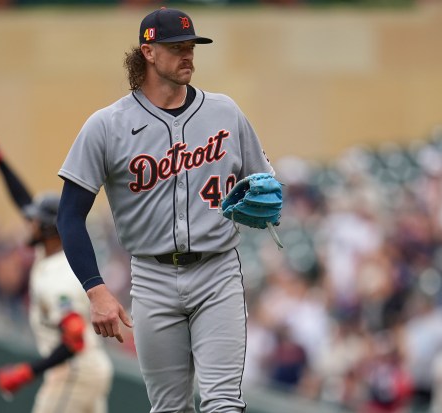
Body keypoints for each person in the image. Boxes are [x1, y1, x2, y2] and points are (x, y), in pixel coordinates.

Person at [56, 7, 278, 412]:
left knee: (223, 403)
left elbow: (265, 183)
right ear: (149, 52)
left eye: (191, 46)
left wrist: (264, 199)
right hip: (152, 278)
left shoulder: (224, 112)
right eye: (176, 48)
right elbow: (69, 215)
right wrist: (95, 288)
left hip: (217, 271)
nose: (188, 55)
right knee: (170, 408)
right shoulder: (106, 126)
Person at [0, 134, 113, 413]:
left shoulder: (60, 275)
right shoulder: (51, 251)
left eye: (35, 222)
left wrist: (28, 371)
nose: (29, 224)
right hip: (90, 368)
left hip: (74, 372)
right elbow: (24, 200)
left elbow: (74, 340)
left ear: (49, 230)